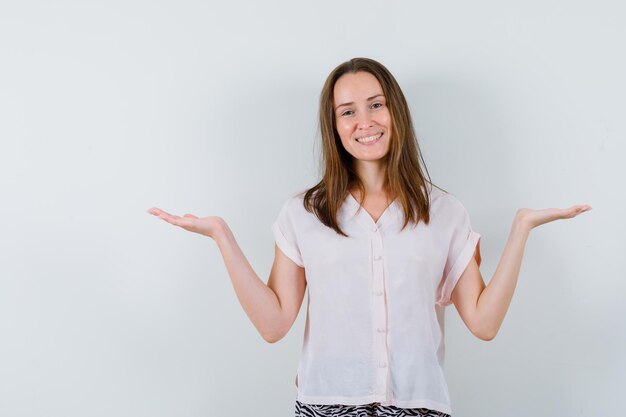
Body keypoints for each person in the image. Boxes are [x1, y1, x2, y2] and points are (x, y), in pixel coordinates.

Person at [147, 57, 591, 416]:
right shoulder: (304, 213)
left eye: (376, 105)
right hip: (327, 403)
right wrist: (222, 236)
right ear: (334, 126)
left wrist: (521, 229)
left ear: (395, 111)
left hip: (419, 406)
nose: (365, 121)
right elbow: (274, 323)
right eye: (348, 111)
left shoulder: (445, 213)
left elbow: (484, 322)